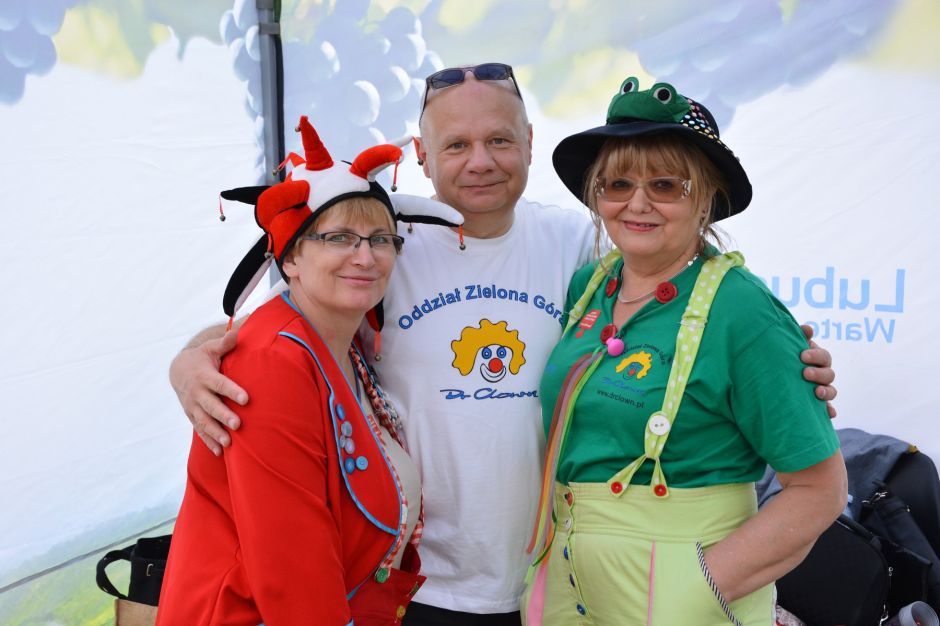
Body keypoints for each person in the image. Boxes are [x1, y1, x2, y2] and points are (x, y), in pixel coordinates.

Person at [169, 65, 840, 626]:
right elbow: (286, 323)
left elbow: (690, 304)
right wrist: (192, 359)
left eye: (498, 139)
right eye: (456, 145)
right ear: (421, 154)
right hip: (419, 585)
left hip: (546, 580)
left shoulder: (582, 252)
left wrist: (786, 361)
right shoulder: (383, 248)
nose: (481, 161)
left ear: (528, 142)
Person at [522, 78, 847, 625]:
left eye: (666, 185)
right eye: (617, 184)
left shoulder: (743, 310)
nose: (638, 203)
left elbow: (820, 490)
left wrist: (695, 589)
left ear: (706, 197)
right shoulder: (589, 286)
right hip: (567, 586)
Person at [157, 120, 461, 625]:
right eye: (338, 237)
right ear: (292, 256)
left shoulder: (341, 342)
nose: (365, 256)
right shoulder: (273, 361)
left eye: (381, 239)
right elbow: (292, 572)